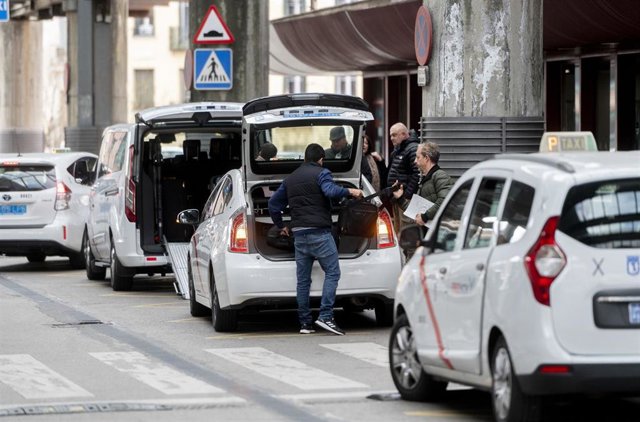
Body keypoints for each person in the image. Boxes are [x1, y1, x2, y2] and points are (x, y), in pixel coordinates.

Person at [268, 143, 363, 335]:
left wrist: (281, 226)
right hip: (319, 233)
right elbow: (330, 191)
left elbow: (273, 204)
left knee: (303, 281)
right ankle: (326, 316)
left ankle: (305, 324)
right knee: (333, 272)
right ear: (321, 159)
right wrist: (350, 192)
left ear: (305, 158)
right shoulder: (322, 172)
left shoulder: (290, 179)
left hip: (299, 236)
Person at [392, 141, 453, 226]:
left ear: (426, 158)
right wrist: (400, 198)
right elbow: (416, 212)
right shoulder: (426, 179)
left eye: (418, 157)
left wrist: (425, 217)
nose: (415, 161)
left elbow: (445, 200)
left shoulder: (440, 175)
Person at [386, 123, 420, 233]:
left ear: (404, 134)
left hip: (405, 199)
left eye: (394, 135)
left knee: (406, 230)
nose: (391, 138)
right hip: (398, 198)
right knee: (398, 231)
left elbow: (417, 174)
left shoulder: (413, 148)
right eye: (391, 135)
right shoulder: (399, 149)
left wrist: (406, 196)